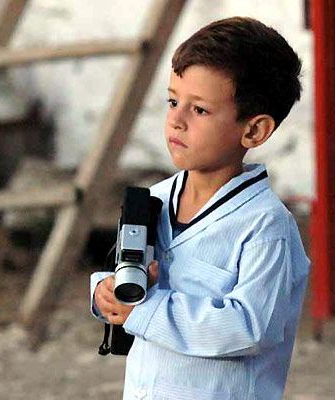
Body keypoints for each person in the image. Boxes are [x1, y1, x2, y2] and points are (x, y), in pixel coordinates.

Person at [90, 16, 310, 400]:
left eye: (200, 110)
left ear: (254, 130)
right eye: (173, 101)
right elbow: (125, 270)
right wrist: (105, 291)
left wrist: (144, 311)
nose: (176, 120)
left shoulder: (265, 227)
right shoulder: (152, 200)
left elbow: (250, 328)